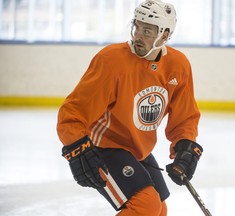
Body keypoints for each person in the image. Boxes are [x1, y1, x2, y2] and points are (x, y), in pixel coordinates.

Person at [57, 0, 203, 215]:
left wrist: (184, 147)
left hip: (138, 149)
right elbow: (74, 111)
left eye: (147, 31)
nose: (137, 35)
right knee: (146, 205)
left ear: (164, 36)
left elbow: (185, 116)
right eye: (136, 26)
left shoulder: (178, 65)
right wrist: (77, 148)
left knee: (160, 209)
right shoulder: (111, 60)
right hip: (105, 147)